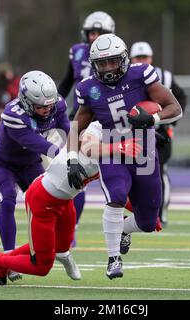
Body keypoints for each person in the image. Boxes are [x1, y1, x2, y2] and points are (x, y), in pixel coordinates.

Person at [0, 120, 152, 285]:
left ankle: (54, 255)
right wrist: (120, 147)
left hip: (66, 201)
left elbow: (118, 194)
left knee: (60, 247)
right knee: (42, 265)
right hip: (42, 200)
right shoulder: (96, 129)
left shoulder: (117, 145)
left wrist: (144, 211)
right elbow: (88, 146)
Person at [67, 33, 183, 279]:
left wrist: (152, 119)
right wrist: (72, 159)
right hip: (112, 150)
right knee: (116, 196)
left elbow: (175, 108)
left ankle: (123, 231)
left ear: (124, 60)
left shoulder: (141, 74)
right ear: (94, 64)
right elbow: (77, 127)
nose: (108, 68)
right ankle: (113, 259)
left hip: (143, 151)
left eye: (113, 62)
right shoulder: (88, 89)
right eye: (102, 63)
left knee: (149, 222)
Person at [0, 70, 70, 281]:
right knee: (8, 200)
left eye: (49, 105)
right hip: (3, 164)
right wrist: (62, 155)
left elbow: (67, 129)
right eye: (40, 106)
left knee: (45, 204)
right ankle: (8, 257)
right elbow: (36, 143)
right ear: (25, 100)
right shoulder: (13, 114)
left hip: (31, 164)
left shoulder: (56, 104)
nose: (46, 110)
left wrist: (74, 151)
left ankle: (47, 247)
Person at [58, 11, 115, 246]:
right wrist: (52, 105)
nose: (94, 37)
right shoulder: (78, 52)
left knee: (115, 173)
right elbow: (65, 83)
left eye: (99, 33)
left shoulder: (114, 54)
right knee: (73, 175)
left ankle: (127, 221)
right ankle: (70, 230)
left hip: (104, 119)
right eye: (91, 32)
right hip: (79, 117)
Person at [129, 41, 187, 227]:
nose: (141, 60)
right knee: (131, 173)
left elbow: (180, 99)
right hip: (133, 134)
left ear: (151, 58)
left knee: (159, 171)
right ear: (131, 59)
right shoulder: (125, 78)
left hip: (160, 132)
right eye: (138, 57)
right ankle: (137, 212)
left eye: (144, 57)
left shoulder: (164, 77)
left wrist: (168, 121)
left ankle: (160, 214)